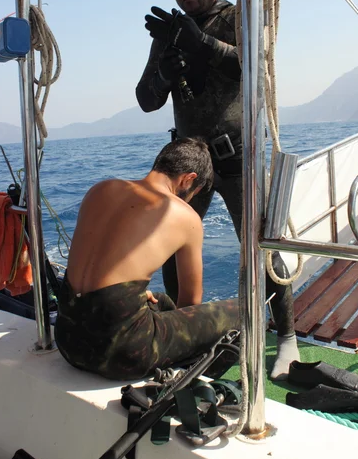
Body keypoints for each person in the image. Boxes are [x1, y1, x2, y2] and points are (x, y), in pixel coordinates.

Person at [136, 0, 299, 380]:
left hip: (237, 155)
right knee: (170, 249)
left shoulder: (236, 17)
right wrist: (165, 74)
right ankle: (182, 334)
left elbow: (254, 65)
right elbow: (145, 100)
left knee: (261, 248)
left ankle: (286, 340)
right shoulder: (168, 31)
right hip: (191, 162)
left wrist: (200, 42)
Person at [55, 138, 239, 381]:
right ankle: (186, 384)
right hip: (120, 355)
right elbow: (190, 302)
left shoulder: (100, 189)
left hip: (68, 339)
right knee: (244, 312)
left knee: (160, 300)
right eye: (194, 193)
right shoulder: (186, 217)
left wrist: (133, 297)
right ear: (188, 179)